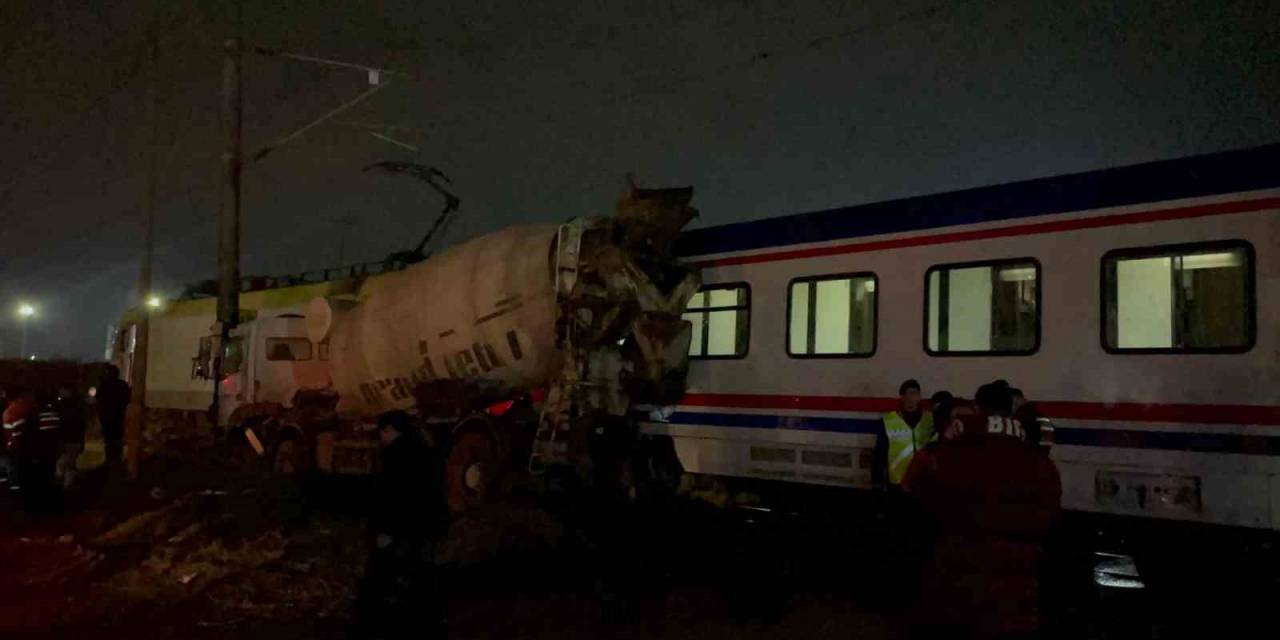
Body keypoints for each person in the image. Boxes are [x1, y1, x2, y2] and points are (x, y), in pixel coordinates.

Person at [903, 382, 1062, 638]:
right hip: (1018, 580)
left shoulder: (952, 452)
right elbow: (1050, 511)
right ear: (1010, 409)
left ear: (977, 409)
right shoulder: (1039, 461)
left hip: (961, 573)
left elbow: (918, 489)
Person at [353, 410, 447, 639]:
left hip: (399, 530)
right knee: (420, 572)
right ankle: (427, 620)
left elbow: (392, 498)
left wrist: (385, 530)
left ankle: (378, 624)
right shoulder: (426, 452)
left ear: (391, 431)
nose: (380, 438)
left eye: (382, 432)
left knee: (384, 576)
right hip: (424, 527)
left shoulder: (396, 457)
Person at [873, 379, 934, 488]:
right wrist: (877, 479)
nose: (910, 398)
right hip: (898, 479)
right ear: (901, 397)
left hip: (923, 477)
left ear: (919, 396)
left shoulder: (930, 420)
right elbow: (879, 453)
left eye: (913, 393)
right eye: (905, 394)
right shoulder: (888, 421)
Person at [96, 365, 131, 473]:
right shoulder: (122, 385)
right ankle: (116, 462)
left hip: (108, 418)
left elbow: (99, 402)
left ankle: (110, 462)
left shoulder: (104, 386)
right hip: (118, 417)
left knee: (109, 441)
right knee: (116, 441)